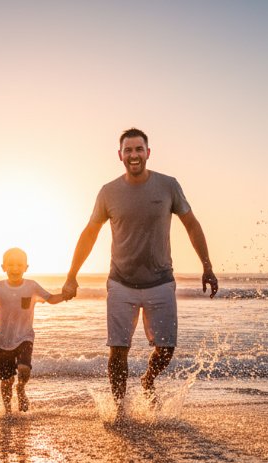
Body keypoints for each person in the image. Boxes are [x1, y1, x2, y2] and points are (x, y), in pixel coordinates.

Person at [61, 128, 218, 412]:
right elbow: (89, 234)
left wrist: (207, 266)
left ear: (148, 152)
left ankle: (147, 380)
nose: (134, 155)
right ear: (120, 155)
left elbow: (191, 224)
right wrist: (72, 275)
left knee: (167, 350)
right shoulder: (108, 192)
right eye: (128, 150)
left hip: (160, 281)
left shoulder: (168, 185)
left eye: (139, 149)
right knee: (118, 351)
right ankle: (120, 409)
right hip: (121, 282)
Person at [0, 248, 65, 414]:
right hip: (4, 341)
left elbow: (51, 298)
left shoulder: (32, 286)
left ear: (26, 267)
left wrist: (66, 295)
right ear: (3, 267)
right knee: (6, 381)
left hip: (25, 337)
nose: (15, 268)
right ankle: (8, 411)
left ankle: (21, 388)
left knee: (24, 369)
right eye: (11, 264)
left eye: (19, 264)